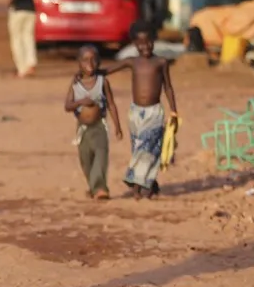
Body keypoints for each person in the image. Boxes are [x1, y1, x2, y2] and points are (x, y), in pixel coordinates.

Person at [102, 21, 179, 199]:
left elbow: (168, 87)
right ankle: (148, 184)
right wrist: (90, 72)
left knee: (149, 146)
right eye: (140, 43)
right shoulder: (132, 62)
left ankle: (134, 179)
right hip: (136, 113)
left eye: (149, 42)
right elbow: (108, 70)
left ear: (154, 41)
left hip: (153, 112)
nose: (145, 46)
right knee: (139, 148)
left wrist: (174, 110)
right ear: (134, 44)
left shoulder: (160, 62)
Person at [65, 45, 122, 200]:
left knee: (101, 155)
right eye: (85, 60)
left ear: (99, 61)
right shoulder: (76, 83)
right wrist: (81, 102)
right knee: (86, 160)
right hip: (83, 129)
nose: (89, 63)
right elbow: (67, 106)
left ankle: (100, 188)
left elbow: (111, 103)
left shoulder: (102, 82)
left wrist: (117, 125)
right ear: (78, 63)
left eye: (93, 60)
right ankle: (93, 187)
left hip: (99, 126)